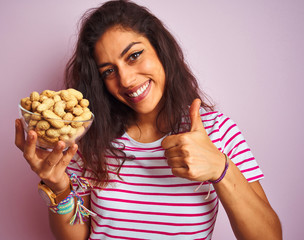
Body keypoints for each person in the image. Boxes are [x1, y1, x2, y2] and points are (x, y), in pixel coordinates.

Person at [15, 0, 282, 239]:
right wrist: (59, 187)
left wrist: (220, 169)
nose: (127, 80)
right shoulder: (88, 137)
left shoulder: (217, 131)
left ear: (160, 50)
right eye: (109, 71)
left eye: (134, 56)